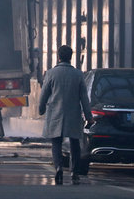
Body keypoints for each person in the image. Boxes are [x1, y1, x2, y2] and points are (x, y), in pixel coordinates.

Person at [39, 45, 93, 185]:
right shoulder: (78, 74)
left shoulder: (51, 73)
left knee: (56, 142)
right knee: (75, 143)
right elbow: (84, 98)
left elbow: (44, 94)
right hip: (73, 113)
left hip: (55, 113)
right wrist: (88, 116)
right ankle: (74, 172)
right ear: (71, 57)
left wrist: (41, 109)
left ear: (58, 57)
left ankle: (58, 168)